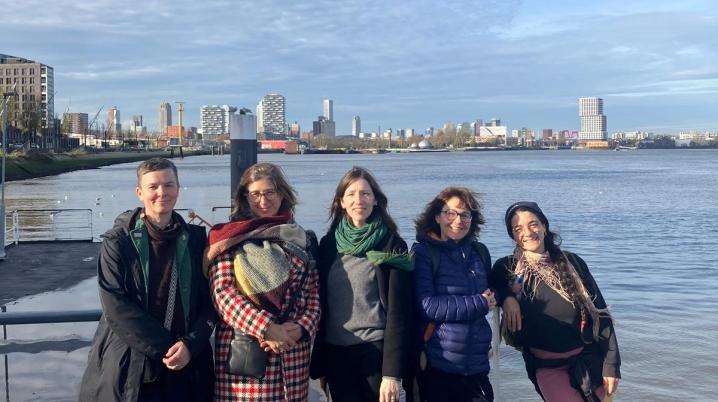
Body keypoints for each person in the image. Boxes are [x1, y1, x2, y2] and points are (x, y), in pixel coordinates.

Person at [79, 157, 216, 402]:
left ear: (178, 189)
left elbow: (209, 301)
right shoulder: (118, 241)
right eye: (153, 187)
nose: (162, 192)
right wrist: (168, 347)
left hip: (188, 366)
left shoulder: (196, 241)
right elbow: (116, 305)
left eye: (169, 185)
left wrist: (191, 344)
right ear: (139, 192)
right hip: (132, 363)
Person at [204, 162, 320, 401]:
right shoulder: (230, 238)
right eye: (255, 194)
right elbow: (223, 295)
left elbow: (314, 297)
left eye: (270, 192)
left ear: (282, 194)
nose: (263, 200)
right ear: (244, 198)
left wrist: (300, 329)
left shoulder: (301, 238)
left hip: (293, 357)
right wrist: (267, 329)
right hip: (246, 360)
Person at [490, 201, 621, 402]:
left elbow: (600, 314)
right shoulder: (507, 267)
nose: (528, 232)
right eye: (518, 228)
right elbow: (493, 284)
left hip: (589, 359)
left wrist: (611, 364)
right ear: (513, 236)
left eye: (533, 224)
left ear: (544, 226)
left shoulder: (572, 262)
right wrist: (508, 298)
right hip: (546, 366)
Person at [309, 166, 413, 402]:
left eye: (365, 193)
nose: (359, 200)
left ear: (375, 200)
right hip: (336, 354)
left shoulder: (392, 245)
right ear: (341, 202)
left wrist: (392, 374)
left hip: (374, 353)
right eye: (351, 194)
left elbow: (399, 312)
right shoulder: (328, 245)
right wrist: (322, 363)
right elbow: (322, 303)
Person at [411, 187, 495, 402]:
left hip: (476, 366)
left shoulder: (480, 253)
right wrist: (479, 303)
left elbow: (493, 291)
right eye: (451, 213)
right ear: (437, 216)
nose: (458, 220)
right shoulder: (424, 253)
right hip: (438, 366)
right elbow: (427, 305)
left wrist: (508, 296)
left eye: (465, 214)